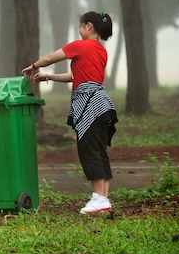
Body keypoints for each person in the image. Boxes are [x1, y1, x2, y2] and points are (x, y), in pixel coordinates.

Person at [22, 11, 118, 215]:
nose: (80, 30)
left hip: (90, 105)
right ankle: (104, 200)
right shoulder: (101, 50)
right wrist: (47, 77)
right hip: (103, 105)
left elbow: (49, 58)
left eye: (81, 27)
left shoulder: (80, 46)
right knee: (99, 151)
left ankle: (99, 199)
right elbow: (76, 76)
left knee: (89, 150)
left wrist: (32, 66)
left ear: (89, 26)